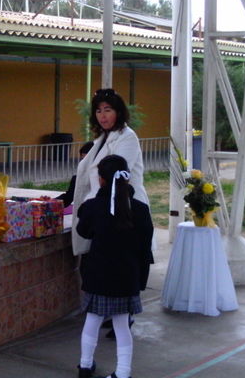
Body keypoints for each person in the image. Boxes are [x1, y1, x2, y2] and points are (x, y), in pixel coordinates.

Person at [76, 154, 154, 378]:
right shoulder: (140, 209)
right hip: (127, 276)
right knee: (121, 324)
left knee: (92, 319)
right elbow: (144, 246)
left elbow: (83, 231)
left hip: (98, 274)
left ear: (101, 180)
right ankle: (122, 373)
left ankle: (85, 366)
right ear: (127, 179)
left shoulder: (93, 207)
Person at [71, 88, 149, 256]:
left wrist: (93, 207)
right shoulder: (102, 139)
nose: (102, 116)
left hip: (122, 209)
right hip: (102, 210)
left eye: (108, 110)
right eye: (98, 111)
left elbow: (115, 171)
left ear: (118, 112)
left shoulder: (127, 137)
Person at [57, 142, 94, 208]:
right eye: (82, 160)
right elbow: (68, 197)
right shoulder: (77, 179)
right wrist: (51, 202)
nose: (84, 164)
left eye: (88, 160)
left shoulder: (104, 179)